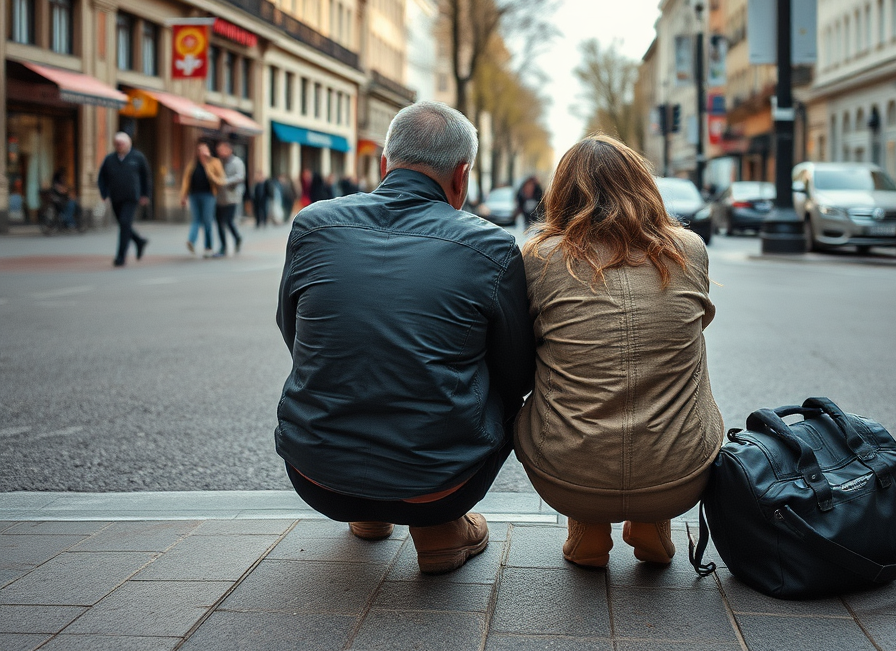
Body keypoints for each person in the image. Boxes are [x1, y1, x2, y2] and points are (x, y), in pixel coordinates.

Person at [276, 101, 534, 574]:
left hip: (316, 476)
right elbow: (516, 372)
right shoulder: (492, 247)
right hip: (440, 487)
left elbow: (292, 330)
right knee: (504, 390)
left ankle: (367, 515)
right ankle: (441, 530)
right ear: (462, 176)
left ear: (383, 165)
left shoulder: (312, 225)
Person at [514, 135, 723, 568]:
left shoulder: (539, 257)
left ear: (562, 193)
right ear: (644, 185)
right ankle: (654, 522)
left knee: (559, 364)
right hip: (680, 476)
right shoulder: (689, 250)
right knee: (683, 358)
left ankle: (586, 529)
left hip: (567, 478)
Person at [97, 132, 150, 267]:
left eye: (121, 144)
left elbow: (146, 177)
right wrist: (104, 193)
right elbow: (102, 177)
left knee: (125, 223)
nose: (119, 146)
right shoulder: (110, 159)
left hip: (131, 197)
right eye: (116, 144)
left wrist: (145, 195)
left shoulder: (137, 157)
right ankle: (139, 241)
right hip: (115, 197)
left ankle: (121, 257)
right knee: (123, 225)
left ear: (128, 144)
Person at [180, 141, 225, 258]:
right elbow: (186, 180)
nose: (202, 152)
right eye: (199, 150)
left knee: (207, 221)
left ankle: (208, 247)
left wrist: (208, 170)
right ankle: (191, 241)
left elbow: (221, 180)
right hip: (194, 195)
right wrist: (183, 196)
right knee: (196, 219)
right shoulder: (193, 164)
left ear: (209, 151)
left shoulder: (214, 162)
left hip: (209, 195)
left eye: (204, 149)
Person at [213, 140, 246, 257]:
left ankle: (235, 239)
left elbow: (240, 177)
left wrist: (225, 182)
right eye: (218, 150)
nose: (220, 152)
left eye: (222, 149)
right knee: (220, 222)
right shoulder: (218, 163)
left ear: (229, 149)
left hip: (232, 198)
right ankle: (225, 245)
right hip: (220, 198)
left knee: (227, 221)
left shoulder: (237, 162)